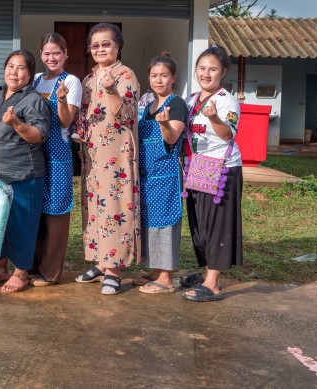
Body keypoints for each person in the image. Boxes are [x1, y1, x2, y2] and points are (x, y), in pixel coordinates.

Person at [0, 50, 51, 293]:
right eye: (10, 66)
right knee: (0, 222)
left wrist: (17, 124)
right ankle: (0, 267)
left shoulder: (33, 100)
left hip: (23, 173)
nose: (14, 72)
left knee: (22, 223)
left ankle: (21, 272)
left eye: (21, 68)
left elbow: (38, 135)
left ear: (29, 74)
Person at [75, 23, 140, 295]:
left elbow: (127, 115)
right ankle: (100, 262)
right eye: (95, 45)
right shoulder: (88, 79)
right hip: (92, 155)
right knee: (94, 206)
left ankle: (114, 269)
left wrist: (112, 90)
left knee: (115, 206)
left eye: (106, 44)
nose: (100, 49)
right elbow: (85, 114)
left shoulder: (126, 74)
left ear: (117, 46)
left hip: (117, 155)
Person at [182, 45, 243, 302]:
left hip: (221, 168)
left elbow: (228, 133)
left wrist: (216, 118)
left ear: (223, 72)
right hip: (196, 166)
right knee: (200, 223)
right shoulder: (192, 99)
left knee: (217, 223)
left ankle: (213, 282)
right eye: (202, 68)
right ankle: (207, 271)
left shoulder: (226, 100)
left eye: (213, 69)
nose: (206, 73)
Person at [28, 33, 81, 287]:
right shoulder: (36, 80)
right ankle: (32, 266)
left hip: (58, 154)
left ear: (65, 54)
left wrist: (61, 99)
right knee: (36, 211)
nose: (52, 58)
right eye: (47, 53)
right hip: (34, 152)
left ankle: (50, 272)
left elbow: (66, 121)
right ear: (41, 55)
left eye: (56, 53)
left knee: (56, 213)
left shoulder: (71, 81)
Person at [133, 53, 188, 294]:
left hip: (165, 175)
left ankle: (166, 277)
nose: (158, 80)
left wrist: (165, 124)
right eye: (154, 75)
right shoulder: (148, 105)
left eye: (164, 75)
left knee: (165, 224)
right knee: (150, 223)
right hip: (147, 174)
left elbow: (172, 137)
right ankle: (155, 271)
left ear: (173, 77)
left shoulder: (176, 104)